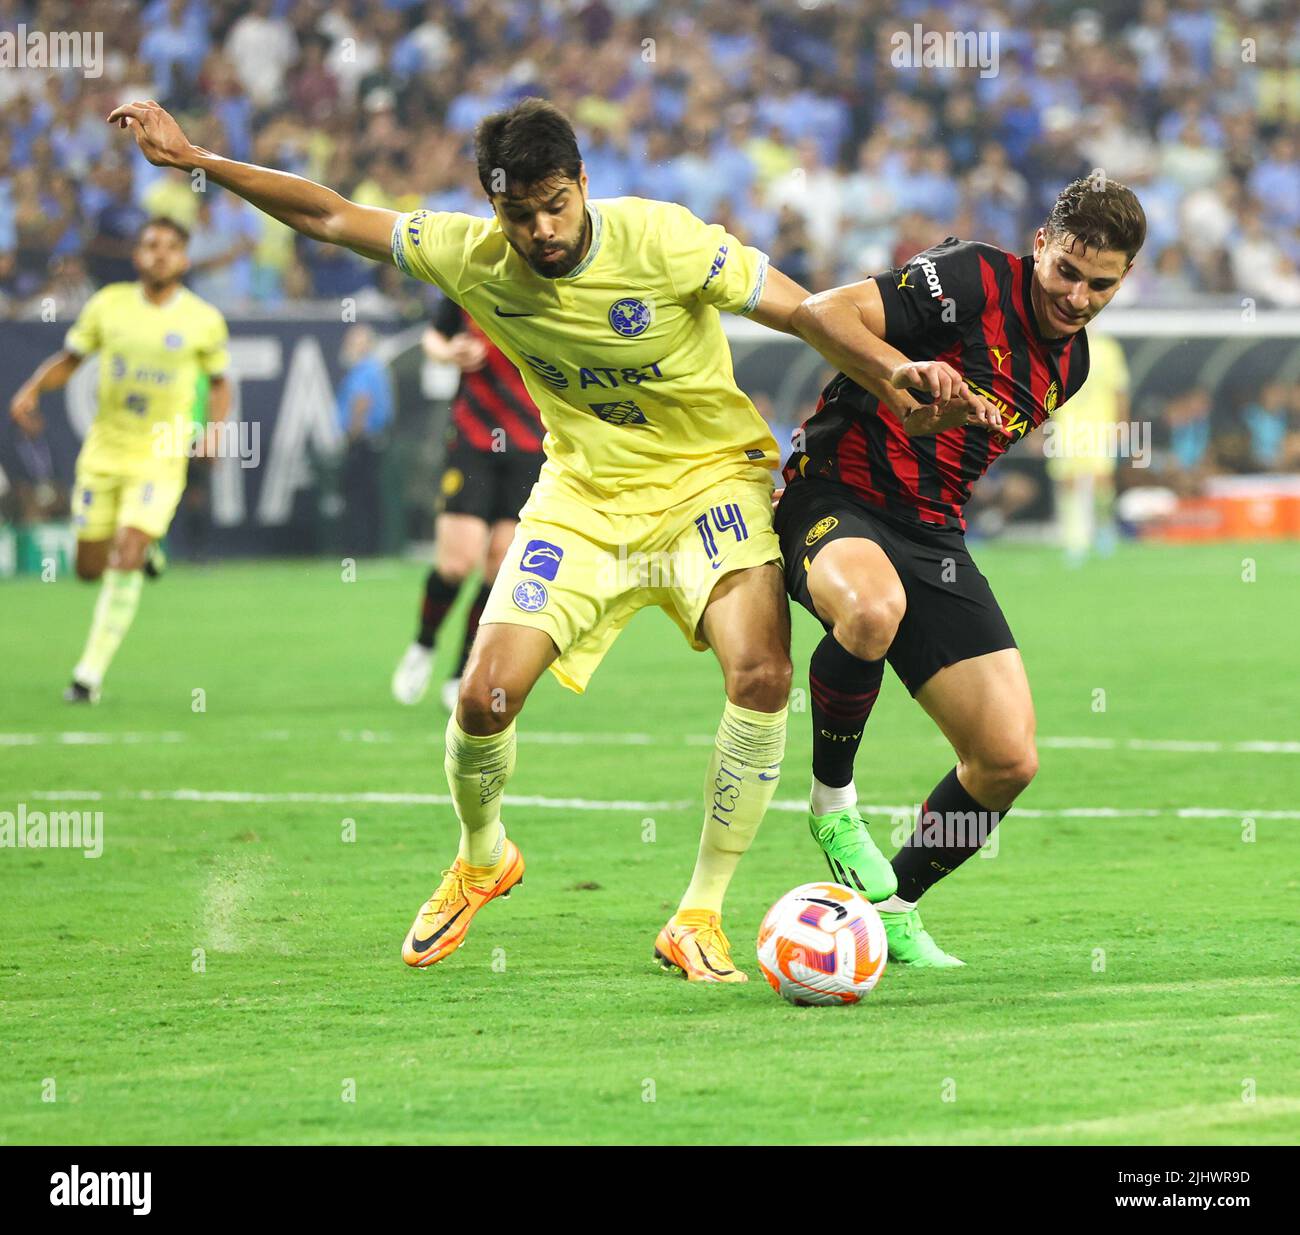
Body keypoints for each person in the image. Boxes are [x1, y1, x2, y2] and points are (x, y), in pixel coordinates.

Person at [107, 95, 814, 983]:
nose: (542, 229)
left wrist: (902, 372)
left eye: (556, 204)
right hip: (585, 496)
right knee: (482, 699)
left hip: (712, 479)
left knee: (762, 673)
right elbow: (327, 213)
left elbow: (804, 311)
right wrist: (197, 159)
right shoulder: (472, 255)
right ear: (495, 209)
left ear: (584, 183)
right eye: (519, 214)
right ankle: (483, 856)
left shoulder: (665, 237)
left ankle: (700, 911)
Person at [777, 177, 1146, 966]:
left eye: (1101, 284)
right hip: (831, 496)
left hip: (932, 532)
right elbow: (820, 315)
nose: (1078, 297)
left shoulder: (1072, 366)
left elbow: (936, 435)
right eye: (1067, 273)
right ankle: (833, 803)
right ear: (1040, 246)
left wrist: (935, 412)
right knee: (872, 609)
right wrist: (899, 370)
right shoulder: (972, 277)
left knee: (1008, 758)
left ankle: (890, 908)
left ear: (1125, 277)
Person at [9, 217, 230, 701]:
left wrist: (212, 432)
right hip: (105, 450)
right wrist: (30, 390)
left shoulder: (202, 319)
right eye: (151, 244)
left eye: (172, 247)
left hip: (162, 452)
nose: (160, 254)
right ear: (137, 255)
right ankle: (150, 550)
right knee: (90, 569)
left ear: (184, 259)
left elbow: (218, 384)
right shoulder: (107, 306)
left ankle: (87, 676)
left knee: (124, 556)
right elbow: (71, 360)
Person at [392, 295, 545, 711]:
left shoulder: (557, 288)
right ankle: (423, 643)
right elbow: (433, 338)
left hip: (533, 444)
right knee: (457, 564)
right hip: (473, 439)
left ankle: (464, 669)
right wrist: (449, 351)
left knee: (499, 568)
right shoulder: (471, 281)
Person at [335, 324, 394, 557]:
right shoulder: (377, 369)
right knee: (370, 495)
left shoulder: (364, 370)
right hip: (375, 441)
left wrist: (352, 434)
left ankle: (359, 548)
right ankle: (371, 547)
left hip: (362, 442)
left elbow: (361, 401)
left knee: (357, 497)